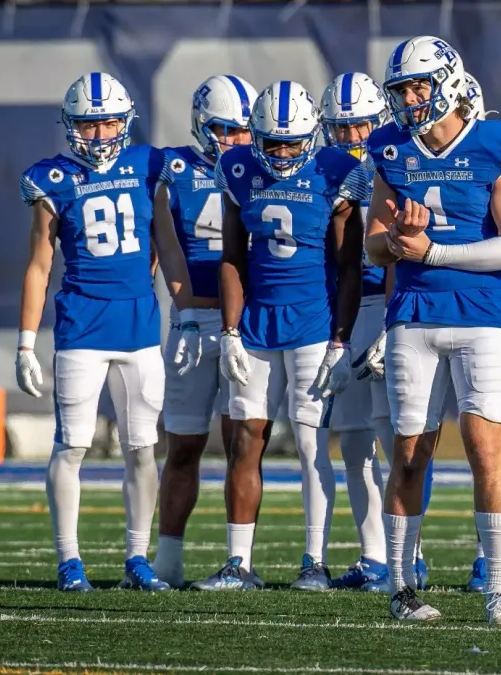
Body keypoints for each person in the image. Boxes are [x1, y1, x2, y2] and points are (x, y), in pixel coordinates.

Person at [364, 36, 501, 624]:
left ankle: (498, 590)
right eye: (401, 90)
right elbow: (375, 247)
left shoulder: (498, 141)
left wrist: (432, 251)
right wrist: (395, 242)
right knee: (409, 454)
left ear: (450, 83)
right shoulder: (388, 146)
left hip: (481, 318)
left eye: (418, 86)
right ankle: (402, 588)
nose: (410, 99)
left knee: (487, 452)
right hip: (412, 316)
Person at [17, 72, 201, 592]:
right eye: (88, 125)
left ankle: (136, 559)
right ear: (71, 126)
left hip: (140, 327)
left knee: (142, 448)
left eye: (108, 123)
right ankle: (69, 560)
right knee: (71, 447)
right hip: (80, 327)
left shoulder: (148, 166)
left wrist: (186, 314)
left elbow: (168, 247)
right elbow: (38, 265)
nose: (98, 134)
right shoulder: (51, 179)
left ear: (125, 122)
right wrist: (26, 342)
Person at [191, 80, 367, 591]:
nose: (284, 152)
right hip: (256, 325)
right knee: (246, 440)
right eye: (273, 142)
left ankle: (314, 562)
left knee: (312, 444)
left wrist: (341, 338)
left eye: (293, 142)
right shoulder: (238, 168)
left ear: (312, 136)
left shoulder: (337, 172)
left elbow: (349, 267)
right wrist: (229, 331)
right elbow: (232, 257)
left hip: (313, 324)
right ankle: (238, 563)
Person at [153, 74, 260, 590]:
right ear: (201, 124)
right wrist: (183, 311)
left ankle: (239, 562)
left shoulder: (266, 166)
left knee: (244, 441)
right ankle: (166, 559)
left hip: (246, 324)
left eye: (243, 131)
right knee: (183, 445)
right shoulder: (171, 169)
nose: (236, 140)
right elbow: (157, 245)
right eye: (225, 129)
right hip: (193, 320)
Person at [318, 71, 393, 592]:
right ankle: (373, 555)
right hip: (339, 310)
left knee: (401, 438)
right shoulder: (317, 172)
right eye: (342, 130)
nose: (351, 138)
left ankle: (408, 554)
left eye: (361, 126)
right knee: (353, 442)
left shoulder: (393, 165)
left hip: (388, 305)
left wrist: (395, 317)